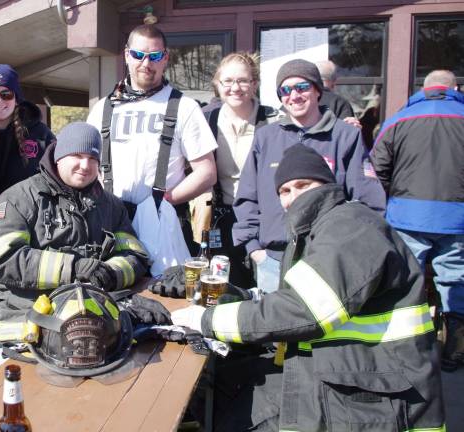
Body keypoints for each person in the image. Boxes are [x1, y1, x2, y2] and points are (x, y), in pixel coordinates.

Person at [173, 144, 445, 432]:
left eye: (303, 185)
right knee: (225, 383)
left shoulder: (350, 226)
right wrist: (244, 297)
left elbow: (304, 311)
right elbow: (302, 298)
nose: (292, 198)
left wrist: (206, 320)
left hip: (379, 402)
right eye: (284, 191)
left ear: (327, 185)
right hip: (357, 376)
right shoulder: (317, 230)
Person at [0, 122, 149, 344]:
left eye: (93, 159)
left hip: (89, 327)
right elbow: (3, 259)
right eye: (76, 155)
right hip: (25, 327)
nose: (85, 165)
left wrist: (110, 273)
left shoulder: (111, 206)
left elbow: (135, 255)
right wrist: (73, 268)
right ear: (58, 156)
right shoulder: (17, 201)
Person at [233, 58, 385, 293]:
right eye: (286, 90)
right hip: (272, 260)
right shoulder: (266, 137)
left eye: (302, 87)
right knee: (273, 326)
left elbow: (368, 202)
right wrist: (254, 249)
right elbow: (246, 197)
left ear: (317, 91)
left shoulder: (345, 136)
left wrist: (351, 250)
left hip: (327, 260)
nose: (294, 96)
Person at [86, 24, 217, 257]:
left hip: (162, 222)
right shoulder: (103, 108)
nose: (146, 63)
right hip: (110, 221)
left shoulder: (184, 107)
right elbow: (87, 164)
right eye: (138, 55)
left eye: (155, 56)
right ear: (127, 55)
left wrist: (166, 201)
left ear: (165, 58)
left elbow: (207, 172)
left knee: (163, 290)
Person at [371, 69, 464, 372]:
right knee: (454, 282)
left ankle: (405, 348)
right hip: (457, 219)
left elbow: (377, 168)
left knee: (406, 282)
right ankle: (454, 350)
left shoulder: (398, 119)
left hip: (407, 215)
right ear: (455, 88)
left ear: (424, 89)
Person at [203, 52, 279, 288]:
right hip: (221, 218)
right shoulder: (206, 119)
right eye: (228, 81)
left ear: (254, 84)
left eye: (243, 80)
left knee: (265, 286)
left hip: (263, 219)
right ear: (218, 84)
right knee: (226, 287)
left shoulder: (274, 120)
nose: (235, 87)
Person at [0, 64, 55, 209]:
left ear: (16, 99)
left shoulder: (41, 135)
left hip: (29, 221)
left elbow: (60, 175)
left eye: (6, 94)